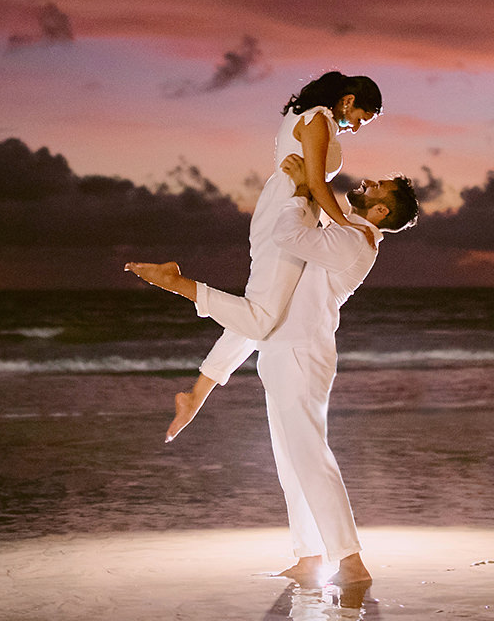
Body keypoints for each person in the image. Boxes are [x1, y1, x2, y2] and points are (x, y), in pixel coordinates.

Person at [127, 152, 419, 588]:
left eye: (379, 188)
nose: (368, 182)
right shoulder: (343, 232)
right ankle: (308, 556)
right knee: (290, 462)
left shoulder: (354, 241)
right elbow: (265, 309)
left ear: (380, 211)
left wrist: (301, 191)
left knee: (309, 457)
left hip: (301, 355)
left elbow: (286, 235)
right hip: (284, 351)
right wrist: (201, 390)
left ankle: (351, 561)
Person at [164, 72, 383, 443]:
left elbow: (313, 184)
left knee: (265, 312)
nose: (359, 127)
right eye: (362, 117)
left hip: (295, 212)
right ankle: (177, 284)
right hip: (286, 213)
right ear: (348, 101)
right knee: (263, 316)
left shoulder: (318, 119)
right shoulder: (317, 119)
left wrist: (330, 222)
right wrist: (346, 223)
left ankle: (196, 396)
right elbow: (316, 183)